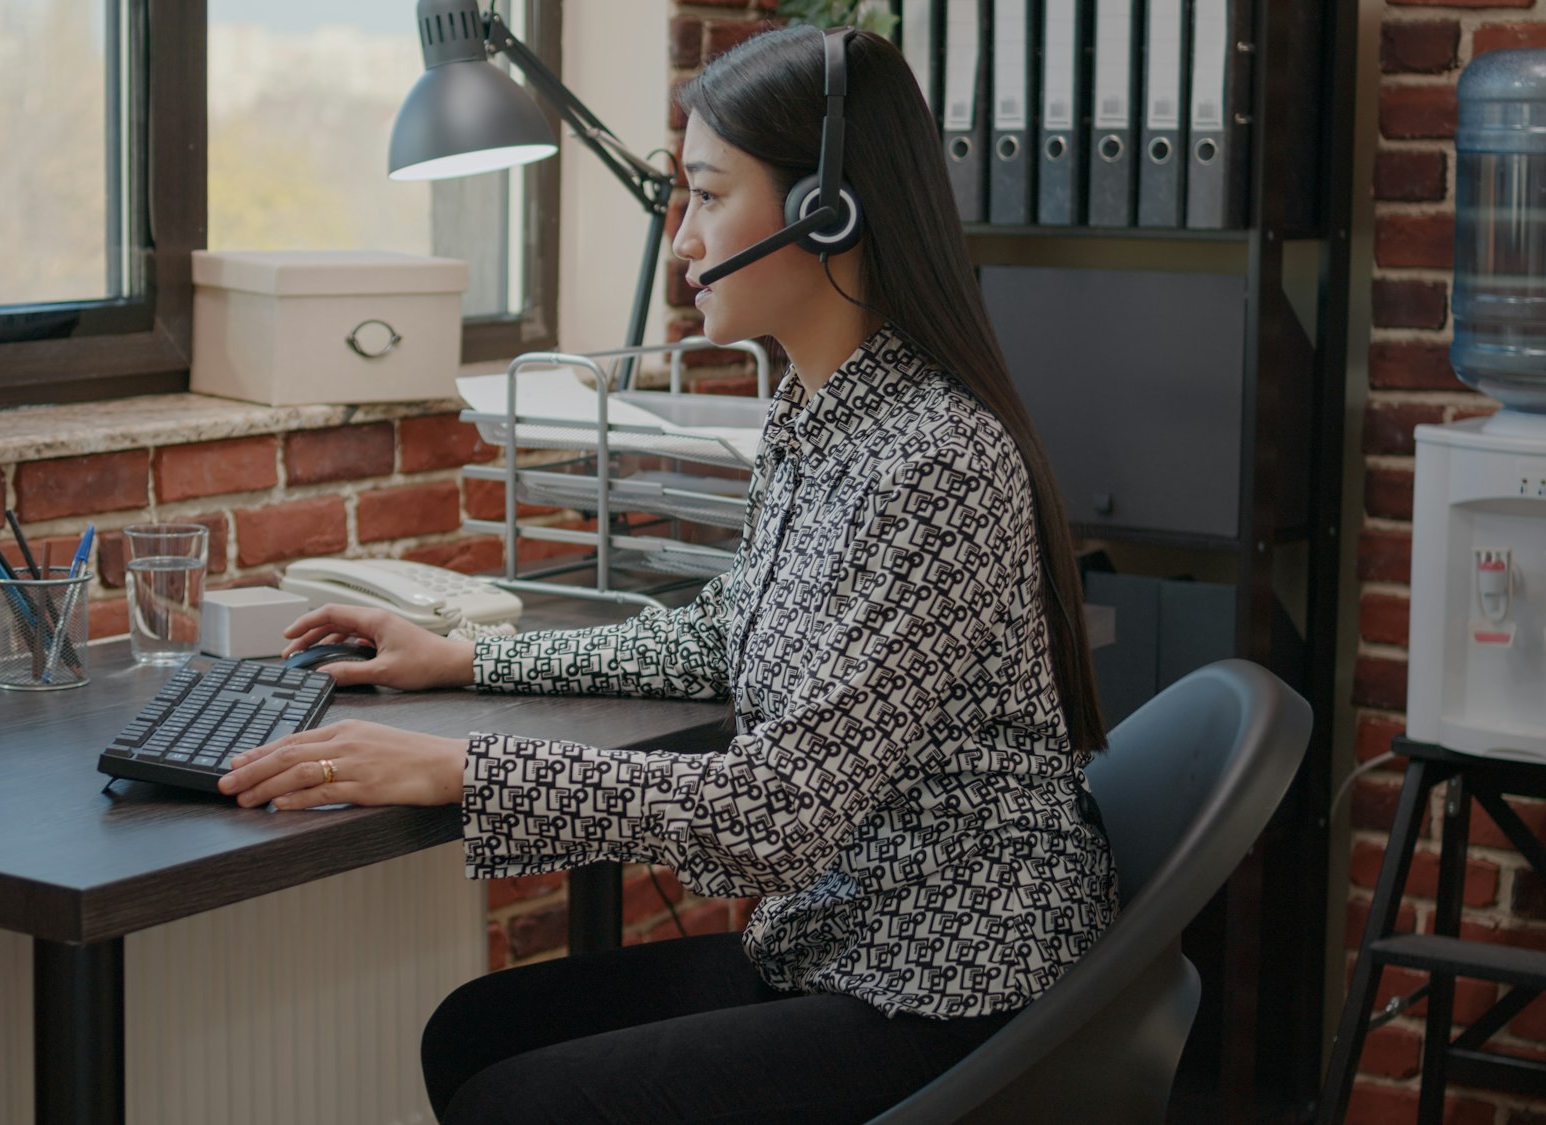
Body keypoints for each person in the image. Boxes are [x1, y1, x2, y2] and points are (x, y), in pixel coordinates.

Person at [219, 23, 1116, 1125]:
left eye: (704, 195)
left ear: (823, 210)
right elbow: (715, 635)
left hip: (937, 983)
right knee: (474, 1034)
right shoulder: (814, 415)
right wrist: (463, 654)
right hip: (837, 937)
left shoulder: (932, 459)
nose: (682, 240)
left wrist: (459, 769)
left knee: (516, 1098)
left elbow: (778, 813)